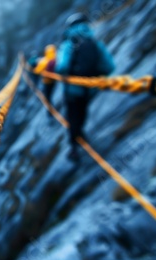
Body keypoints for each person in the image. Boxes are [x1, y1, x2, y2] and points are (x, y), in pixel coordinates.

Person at [55, 13, 115, 159]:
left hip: (72, 90)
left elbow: (62, 67)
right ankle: (81, 134)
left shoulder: (69, 43)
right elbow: (109, 66)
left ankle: (74, 148)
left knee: (72, 117)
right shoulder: (93, 42)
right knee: (82, 113)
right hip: (89, 90)